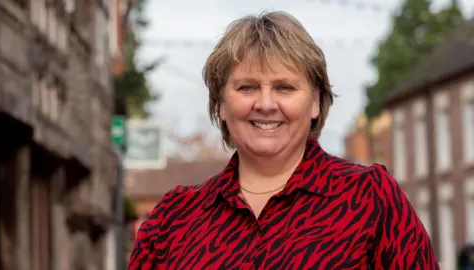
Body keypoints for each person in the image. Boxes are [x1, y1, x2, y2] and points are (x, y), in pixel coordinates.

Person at [129, 11, 439, 269]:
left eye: (285, 88)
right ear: (221, 104)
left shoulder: (370, 198)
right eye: (247, 87)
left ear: (316, 102)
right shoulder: (174, 218)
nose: (265, 104)